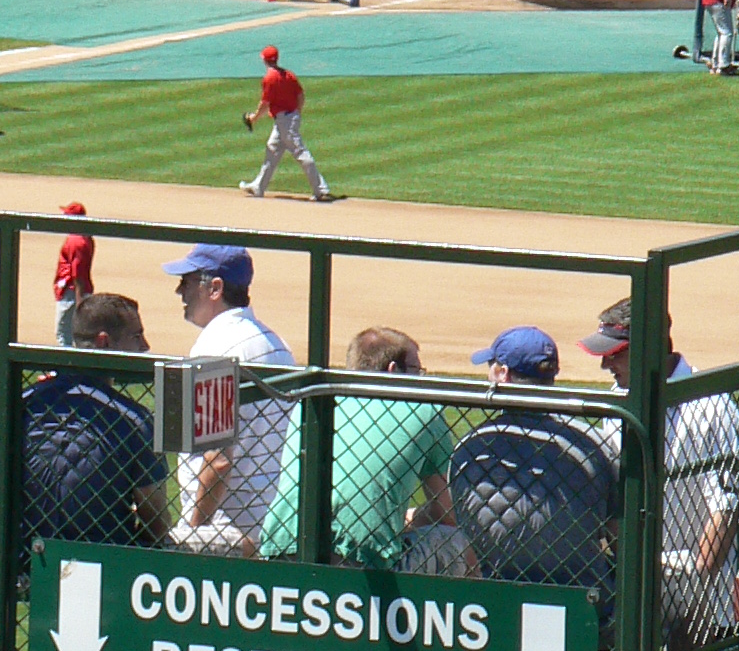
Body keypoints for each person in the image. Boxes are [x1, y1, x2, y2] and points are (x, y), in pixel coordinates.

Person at [581, 298, 739, 651]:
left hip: (711, 582)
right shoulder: (618, 401)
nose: (605, 364)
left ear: (650, 349)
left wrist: (694, 575)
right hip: (646, 572)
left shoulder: (712, 407)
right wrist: (636, 564)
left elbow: (726, 510)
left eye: (616, 354)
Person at [262, 327, 458, 570]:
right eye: (417, 370)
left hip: (281, 547)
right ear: (393, 370)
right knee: (455, 542)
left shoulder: (311, 403)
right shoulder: (425, 409)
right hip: (366, 565)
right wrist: (409, 518)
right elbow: (446, 512)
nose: (422, 379)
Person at [447, 329, 617, 606]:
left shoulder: (470, 447)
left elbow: (457, 527)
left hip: (491, 604)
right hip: (584, 604)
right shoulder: (592, 443)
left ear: (503, 374)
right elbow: (620, 537)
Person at [162, 244, 294, 556]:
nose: (180, 291)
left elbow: (218, 460)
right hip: (272, 526)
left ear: (215, 288)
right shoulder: (276, 343)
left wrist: (194, 529)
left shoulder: (218, 347)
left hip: (225, 531)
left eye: (188, 281)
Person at [20, 294, 169, 548]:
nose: (145, 346)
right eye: (136, 336)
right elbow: (156, 524)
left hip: (24, 558)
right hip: (106, 566)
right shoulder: (134, 420)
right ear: (104, 342)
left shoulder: (24, 403)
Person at [239, 46, 332, 202]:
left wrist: (254, 118)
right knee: (272, 150)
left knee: (300, 153)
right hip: (288, 118)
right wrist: (296, 114)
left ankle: (321, 190)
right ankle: (258, 187)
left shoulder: (269, 78)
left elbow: (265, 104)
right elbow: (301, 96)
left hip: (285, 121)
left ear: (264, 60)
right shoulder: (288, 74)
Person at [54, 204, 94, 350]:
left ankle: (65, 371)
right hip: (74, 291)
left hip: (72, 293)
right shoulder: (85, 237)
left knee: (64, 335)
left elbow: (78, 275)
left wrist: (79, 303)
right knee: (74, 335)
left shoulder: (76, 242)